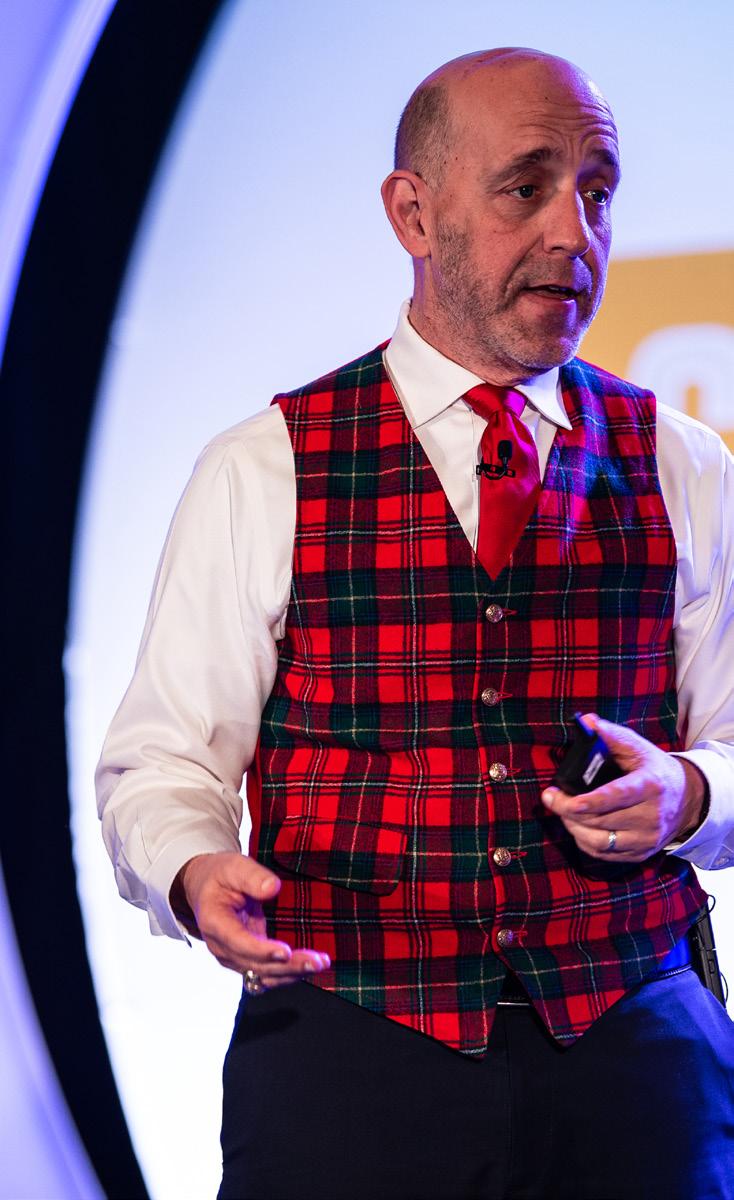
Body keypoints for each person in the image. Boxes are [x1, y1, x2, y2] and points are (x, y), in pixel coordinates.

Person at [97, 48, 734, 1199]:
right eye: (525, 187)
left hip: (635, 1047)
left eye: (596, 191)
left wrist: (688, 793)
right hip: (350, 1054)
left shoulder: (681, 462)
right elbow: (163, 760)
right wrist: (190, 869)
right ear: (412, 211)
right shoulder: (266, 467)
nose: (574, 233)